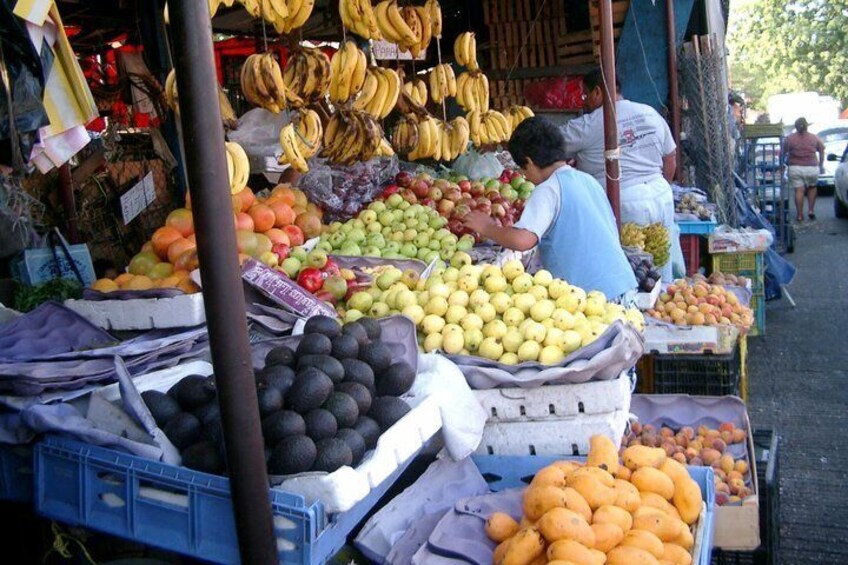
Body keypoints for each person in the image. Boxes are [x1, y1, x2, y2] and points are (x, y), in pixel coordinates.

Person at [460, 117, 637, 301]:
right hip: (625, 288)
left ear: (528, 163)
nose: (525, 176)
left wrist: (488, 227)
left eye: (523, 170)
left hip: (594, 297)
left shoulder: (549, 189)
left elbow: (523, 240)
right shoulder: (588, 180)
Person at [560, 68, 682, 281]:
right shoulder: (650, 113)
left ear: (597, 92)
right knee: (660, 269)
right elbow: (670, 157)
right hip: (661, 195)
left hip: (625, 202)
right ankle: (661, 308)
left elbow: (548, 146)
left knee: (630, 272)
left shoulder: (590, 124)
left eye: (585, 95)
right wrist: (662, 186)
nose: (584, 102)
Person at [783, 117, 825, 221]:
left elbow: (783, 152)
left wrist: (782, 166)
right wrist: (821, 165)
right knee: (812, 187)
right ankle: (811, 210)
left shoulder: (789, 138)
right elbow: (822, 150)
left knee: (799, 190)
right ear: (807, 126)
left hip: (795, 167)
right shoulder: (814, 138)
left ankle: (800, 215)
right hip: (811, 167)